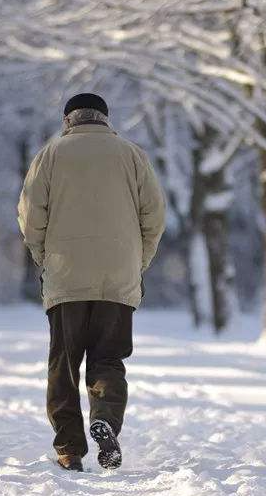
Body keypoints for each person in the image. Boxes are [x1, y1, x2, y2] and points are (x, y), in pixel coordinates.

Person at [18, 93, 166, 472]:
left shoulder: (50, 155)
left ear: (68, 120)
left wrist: (44, 259)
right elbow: (154, 217)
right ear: (105, 118)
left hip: (65, 277)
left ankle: (69, 448)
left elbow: (30, 217)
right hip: (117, 278)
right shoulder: (132, 155)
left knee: (63, 365)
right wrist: (136, 263)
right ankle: (105, 420)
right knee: (109, 358)